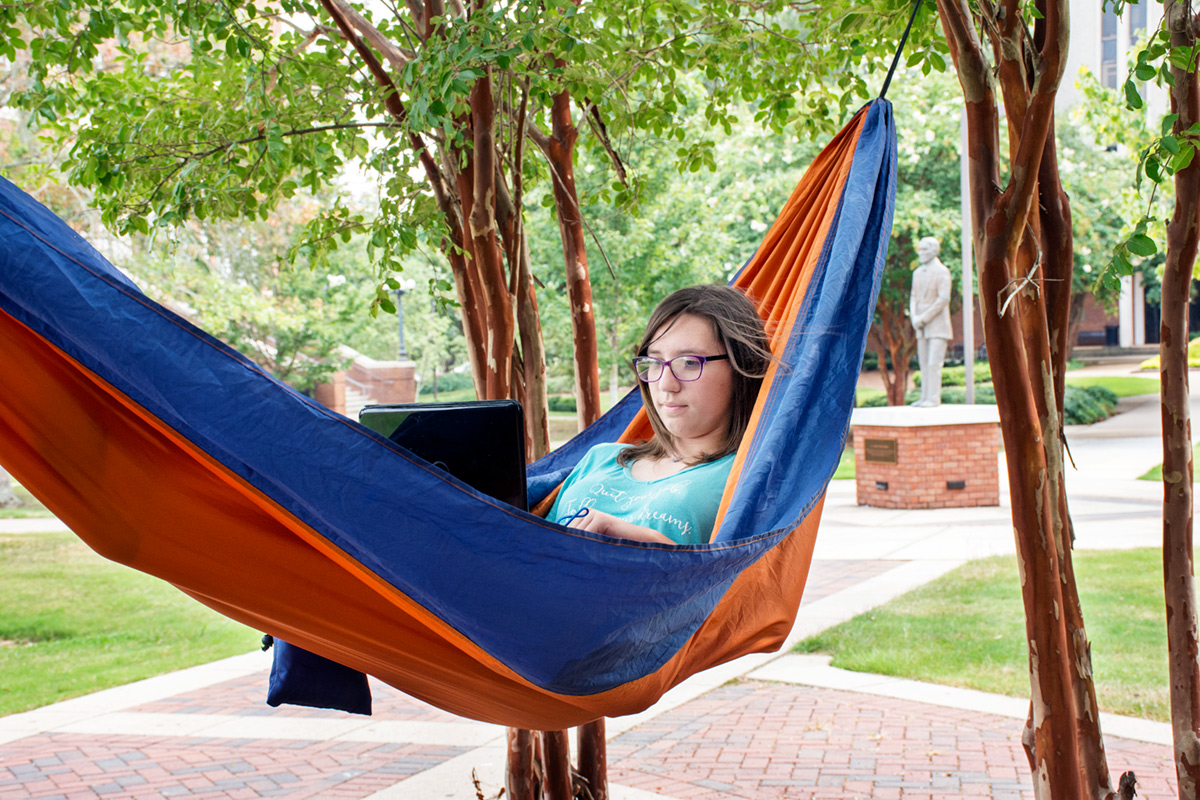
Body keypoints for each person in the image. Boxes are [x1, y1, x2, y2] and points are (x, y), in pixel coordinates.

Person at [548, 285, 772, 544]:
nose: (665, 384)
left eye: (689, 362)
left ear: (740, 367)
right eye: (654, 363)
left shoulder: (747, 479)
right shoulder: (600, 458)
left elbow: (742, 581)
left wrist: (647, 543)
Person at [908, 236, 953, 408]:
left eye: (925, 249)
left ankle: (933, 398)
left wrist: (923, 317)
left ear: (934, 251)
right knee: (924, 363)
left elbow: (943, 299)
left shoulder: (942, 271)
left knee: (934, 363)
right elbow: (913, 298)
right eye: (920, 249)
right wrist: (914, 317)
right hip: (920, 325)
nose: (921, 253)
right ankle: (925, 396)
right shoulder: (917, 273)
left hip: (937, 325)